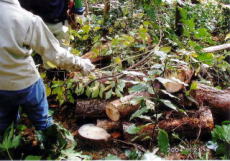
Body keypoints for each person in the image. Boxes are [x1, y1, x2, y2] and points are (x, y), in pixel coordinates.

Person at [0, 0, 94, 152]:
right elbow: (55, 54)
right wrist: (81, 64)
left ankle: (9, 150)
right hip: (26, 83)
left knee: (4, 124)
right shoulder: (27, 19)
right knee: (42, 120)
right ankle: (55, 150)